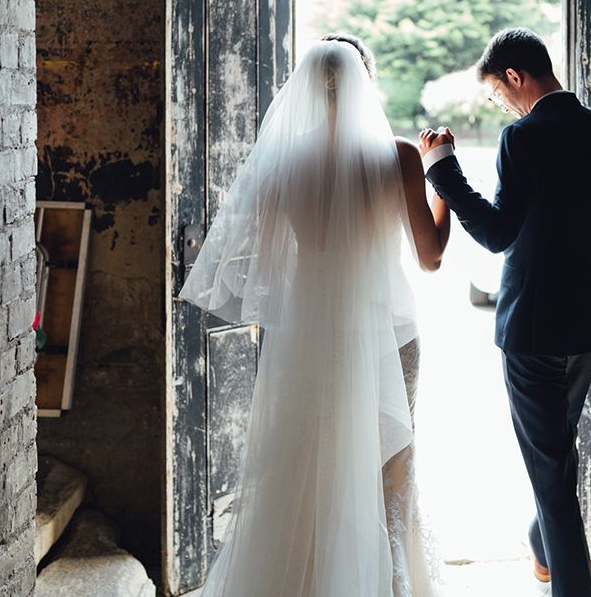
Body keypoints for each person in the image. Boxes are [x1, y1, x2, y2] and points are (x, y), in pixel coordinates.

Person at [179, 34, 449, 596]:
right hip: (388, 332)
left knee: (307, 466)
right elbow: (432, 256)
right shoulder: (398, 158)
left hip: (311, 333)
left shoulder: (283, 162)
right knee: (389, 473)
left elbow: (266, 263)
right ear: (365, 85)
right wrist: (438, 175)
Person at [419, 27, 591, 597]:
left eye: (496, 94)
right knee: (555, 455)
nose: (500, 104)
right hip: (585, 328)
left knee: (554, 475)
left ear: (515, 76)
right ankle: (541, 551)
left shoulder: (523, 137)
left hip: (533, 333)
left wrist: (442, 170)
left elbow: (494, 233)